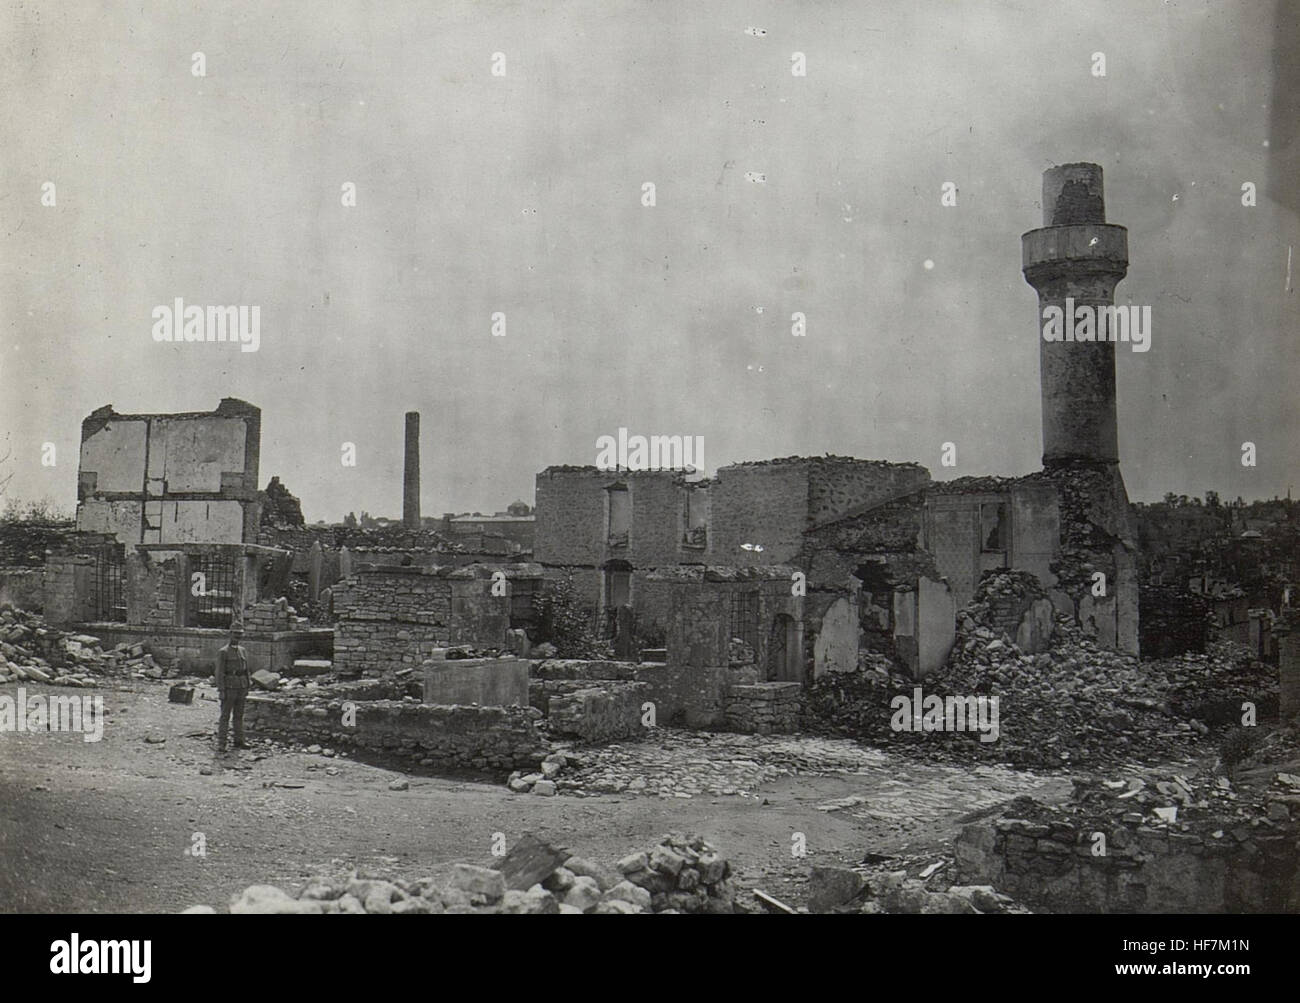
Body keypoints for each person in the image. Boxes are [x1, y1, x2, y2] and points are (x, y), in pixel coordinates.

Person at [215, 625, 251, 755]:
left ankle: (239, 740)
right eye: (236, 634)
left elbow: (246, 669)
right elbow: (219, 672)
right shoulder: (223, 651)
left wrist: (248, 684)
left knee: (239, 715)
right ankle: (221, 743)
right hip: (229, 687)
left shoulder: (242, 650)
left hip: (241, 686)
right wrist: (221, 689)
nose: (238, 637)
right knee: (225, 716)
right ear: (230, 634)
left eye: (240, 634)